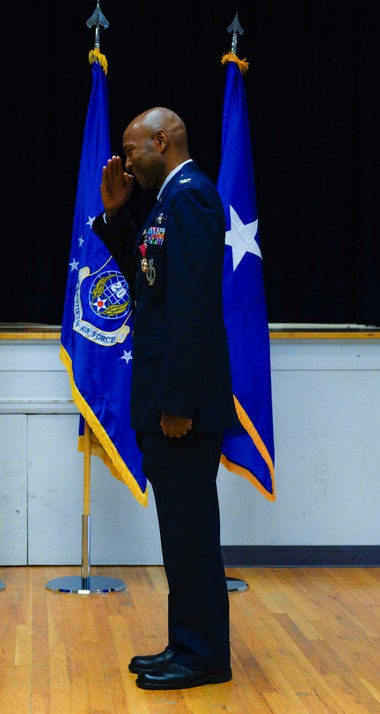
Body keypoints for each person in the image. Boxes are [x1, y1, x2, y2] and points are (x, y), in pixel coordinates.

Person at [93, 107, 239, 690]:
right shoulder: (166, 202)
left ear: (163, 139)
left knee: (192, 532)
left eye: (132, 149)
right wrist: (116, 214)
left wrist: (177, 401)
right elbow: (148, 278)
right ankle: (186, 644)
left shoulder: (194, 198)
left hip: (183, 404)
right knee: (180, 532)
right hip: (168, 397)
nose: (126, 160)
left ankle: (204, 655)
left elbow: (193, 307)